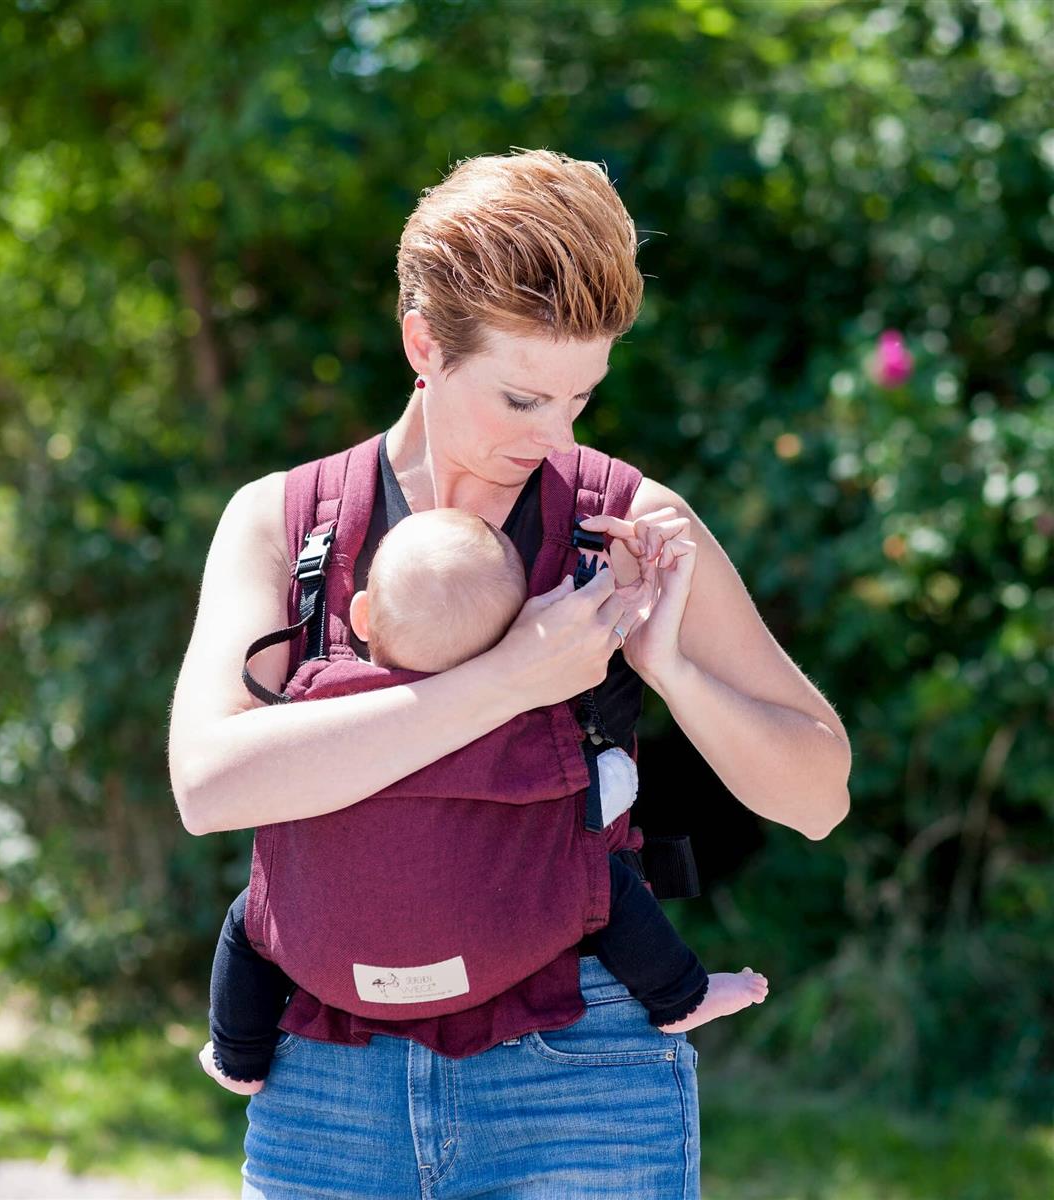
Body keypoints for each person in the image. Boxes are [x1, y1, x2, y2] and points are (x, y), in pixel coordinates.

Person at [168, 148, 851, 1199]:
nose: (557, 438)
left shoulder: (630, 517)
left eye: (583, 396)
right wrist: (513, 679)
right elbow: (209, 784)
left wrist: (666, 664)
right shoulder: (284, 520)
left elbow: (817, 796)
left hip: (585, 1076)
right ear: (423, 345)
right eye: (524, 398)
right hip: (322, 1096)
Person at [199, 505, 769, 1094]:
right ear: (512, 638)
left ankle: (239, 1059)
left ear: (362, 616)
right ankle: (681, 997)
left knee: (251, 917)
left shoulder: (322, 700)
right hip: (502, 952)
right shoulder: (519, 717)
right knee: (603, 887)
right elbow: (590, 793)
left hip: (331, 963)